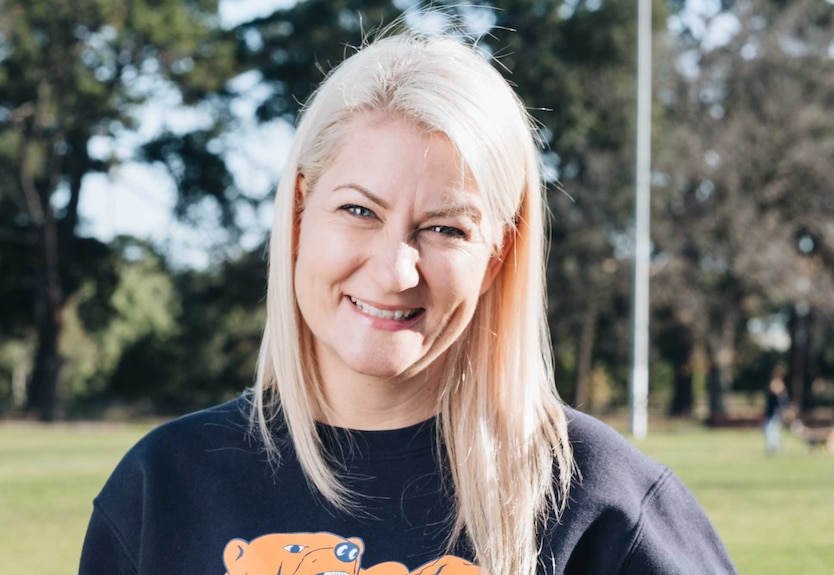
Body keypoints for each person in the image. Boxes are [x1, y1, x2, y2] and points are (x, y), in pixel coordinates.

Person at [79, 30, 737, 575]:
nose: (395, 271)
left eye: (446, 228)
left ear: (496, 258)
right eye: (359, 209)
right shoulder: (165, 487)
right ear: (301, 213)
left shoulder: (603, 506)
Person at [763, 365, 791, 455]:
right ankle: (775, 446)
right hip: (771, 412)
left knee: (771, 429)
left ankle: (775, 447)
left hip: (775, 412)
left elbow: (776, 393)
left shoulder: (779, 385)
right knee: (770, 429)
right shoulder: (779, 385)